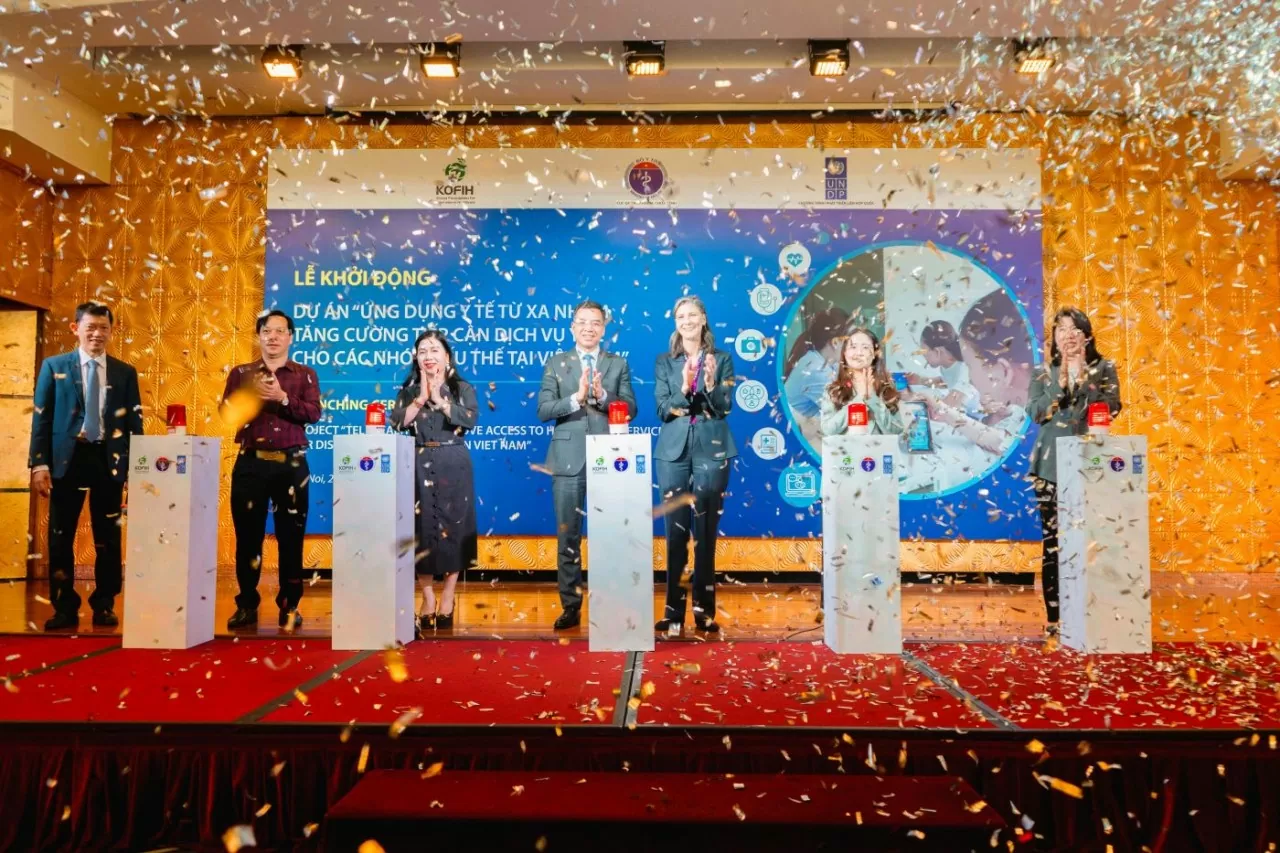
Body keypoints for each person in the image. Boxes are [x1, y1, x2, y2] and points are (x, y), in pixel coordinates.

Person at [28, 302, 144, 631]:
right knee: (60, 538)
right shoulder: (54, 367)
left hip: (108, 460)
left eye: (103, 328)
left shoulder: (124, 372)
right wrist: (39, 464)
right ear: (75, 328)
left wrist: (137, 471)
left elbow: (135, 423)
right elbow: (42, 419)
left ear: (111, 330)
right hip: (68, 460)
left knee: (107, 537)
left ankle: (104, 603)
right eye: (90, 327)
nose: (97, 334)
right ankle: (64, 607)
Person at [537, 299, 637, 630]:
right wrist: (576, 399)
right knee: (568, 536)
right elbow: (544, 410)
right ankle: (570, 605)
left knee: (610, 535)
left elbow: (631, 408)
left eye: (595, 322)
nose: (588, 328)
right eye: (582, 322)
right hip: (567, 461)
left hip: (611, 459)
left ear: (604, 328)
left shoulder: (617, 363)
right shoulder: (556, 363)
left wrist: (604, 397)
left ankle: (609, 603)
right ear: (572, 327)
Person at [222, 309, 322, 632]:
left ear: (290, 337)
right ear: (259, 336)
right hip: (250, 463)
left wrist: (281, 398)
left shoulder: (305, 375)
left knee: (291, 538)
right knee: (247, 538)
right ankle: (247, 603)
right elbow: (227, 414)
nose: (274, 337)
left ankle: (290, 605)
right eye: (267, 331)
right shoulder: (241, 373)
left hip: (291, 464)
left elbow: (313, 413)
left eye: (280, 331)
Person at [1026, 307, 1122, 633]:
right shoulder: (1042, 371)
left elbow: (1112, 407)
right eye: (1060, 329)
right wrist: (1062, 380)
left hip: (1090, 465)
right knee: (1053, 541)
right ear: (1053, 337)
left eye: (1073, 328)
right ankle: (1054, 618)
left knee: (1090, 540)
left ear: (1086, 335)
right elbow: (1037, 413)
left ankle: (1091, 611)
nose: (1067, 334)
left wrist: (1083, 377)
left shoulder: (1104, 367)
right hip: (1049, 467)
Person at [653, 296, 737, 636]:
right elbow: (662, 410)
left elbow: (724, 408)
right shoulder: (664, 362)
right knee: (674, 533)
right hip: (673, 453)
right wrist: (686, 387)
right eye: (680, 316)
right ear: (675, 322)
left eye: (692, 315)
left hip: (711, 452)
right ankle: (673, 613)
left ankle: (703, 611)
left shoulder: (724, 359)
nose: (686, 320)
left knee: (704, 535)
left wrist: (712, 385)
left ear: (704, 319)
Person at [390, 330, 478, 635]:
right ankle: (427, 598)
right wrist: (422, 399)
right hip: (416, 462)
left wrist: (441, 402)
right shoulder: (408, 390)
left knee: (453, 528)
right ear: (416, 358)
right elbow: (397, 421)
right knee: (421, 531)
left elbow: (469, 420)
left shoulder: (462, 388)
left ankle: (448, 596)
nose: (429, 356)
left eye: (434, 350)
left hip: (453, 462)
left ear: (447, 357)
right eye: (423, 351)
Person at [819, 328, 904, 437]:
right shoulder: (833, 390)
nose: (858, 353)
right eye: (853, 347)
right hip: (847, 453)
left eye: (865, 347)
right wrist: (860, 399)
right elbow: (828, 430)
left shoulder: (887, 388)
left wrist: (872, 398)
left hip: (880, 453)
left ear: (874, 354)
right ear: (844, 353)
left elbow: (896, 430)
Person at [905, 320, 981, 415]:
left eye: (924, 352)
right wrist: (920, 380)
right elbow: (947, 381)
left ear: (938, 351)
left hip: (980, 421)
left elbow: (948, 407)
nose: (923, 356)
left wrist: (911, 397)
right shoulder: (949, 364)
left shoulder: (965, 370)